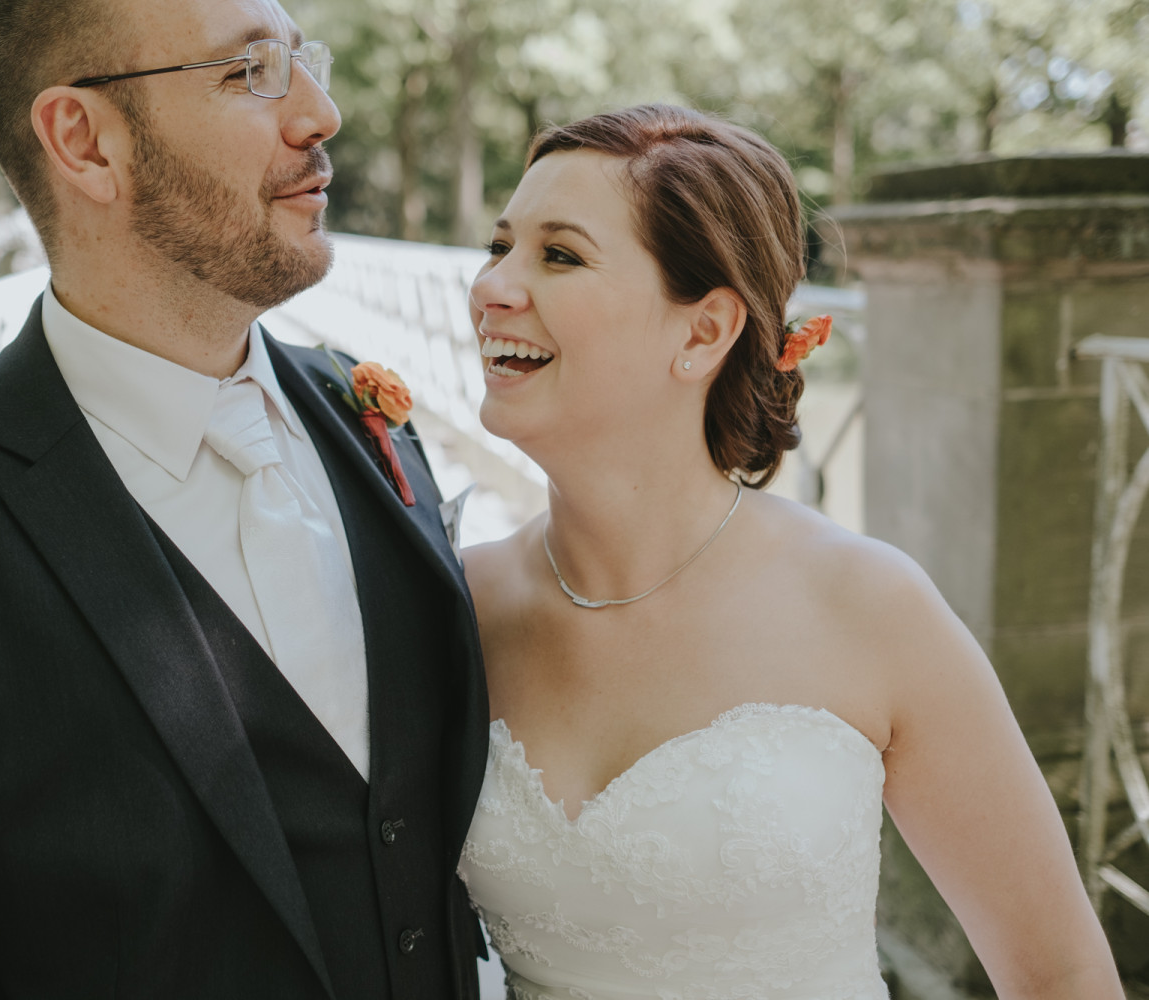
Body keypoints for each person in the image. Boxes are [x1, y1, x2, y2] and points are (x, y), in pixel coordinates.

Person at [0, 0, 488, 997]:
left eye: (300, 59)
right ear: (85, 141)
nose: (321, 113)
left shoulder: (366, 416)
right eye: (249, 72)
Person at [457, 104, 1122, 1000]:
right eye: (498, 247)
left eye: (559, 255)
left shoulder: (868, 605)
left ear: (704, 332)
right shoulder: (460, 602)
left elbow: (1062, 975)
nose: (492, 287)